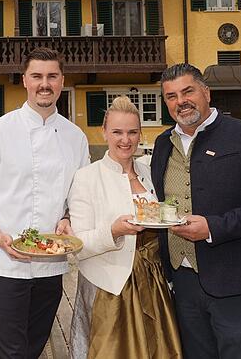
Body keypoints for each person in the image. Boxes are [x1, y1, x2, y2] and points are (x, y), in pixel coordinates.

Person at [150, 63, 241, 359]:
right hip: (183, 275)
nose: (181, 101)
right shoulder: (163, 144)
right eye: (171, 96)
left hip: (236, 275)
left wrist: (213, 227)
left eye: (188, 91)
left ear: (206, 92)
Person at [0, 47, 90, 359]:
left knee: (31, 350)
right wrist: (1, 238)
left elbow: (79, 197)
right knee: (9, 353)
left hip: (50, 267)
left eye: (52, 76)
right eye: (37, 76)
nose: (45, 83)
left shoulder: (75, 137)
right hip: (3, 264)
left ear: (61, 81)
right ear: (25, 81)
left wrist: (69, 216)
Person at [69, 96, 181, 359]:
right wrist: (114, 232)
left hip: (153, 283)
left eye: (132, 132)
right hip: (109, 286)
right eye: (117, 132)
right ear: (104, 132)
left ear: (140, 133)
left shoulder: (151, 172)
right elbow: (79, 247)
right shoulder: (87, 177)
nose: (125, 140)